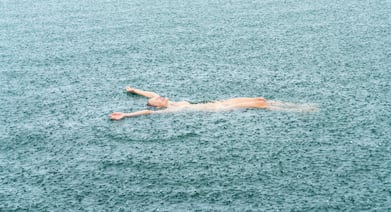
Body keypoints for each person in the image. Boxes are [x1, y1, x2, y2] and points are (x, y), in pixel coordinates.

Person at [109, 86, 317, 120]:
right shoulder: (167, 110)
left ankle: (295, 105)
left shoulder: (165, 102)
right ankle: (301, 110)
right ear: (157, 106)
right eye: (160, 100)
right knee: (260, 105)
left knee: (260, 99)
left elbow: (150, 93)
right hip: (220, 108)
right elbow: (146, 113)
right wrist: (126, 115)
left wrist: (134, 90)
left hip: (220, 102)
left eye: (161, 96)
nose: (162, 97)